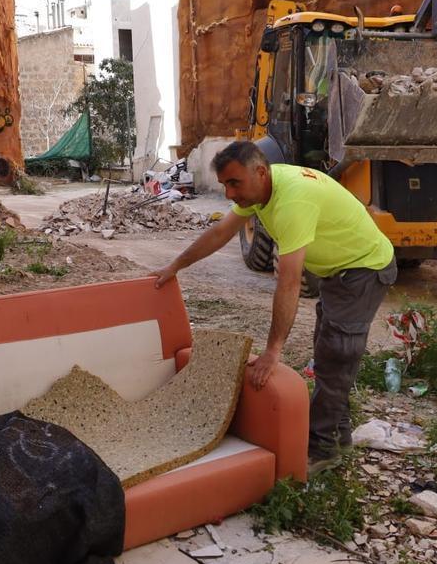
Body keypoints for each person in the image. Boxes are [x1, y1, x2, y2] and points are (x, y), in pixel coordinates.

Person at [152, 141, 397, 473]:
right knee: (330, 354)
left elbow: (290, 281)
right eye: (225, 184)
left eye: (234, 183)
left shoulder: (291, 200)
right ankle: (338, 441)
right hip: (339, 273)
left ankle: (322, 448)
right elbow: (220, 233)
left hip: (365, 269)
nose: (228, 193)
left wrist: (273, 351)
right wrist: (175, 266)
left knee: (337, 354)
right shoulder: (260, 191)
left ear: (260, 172)